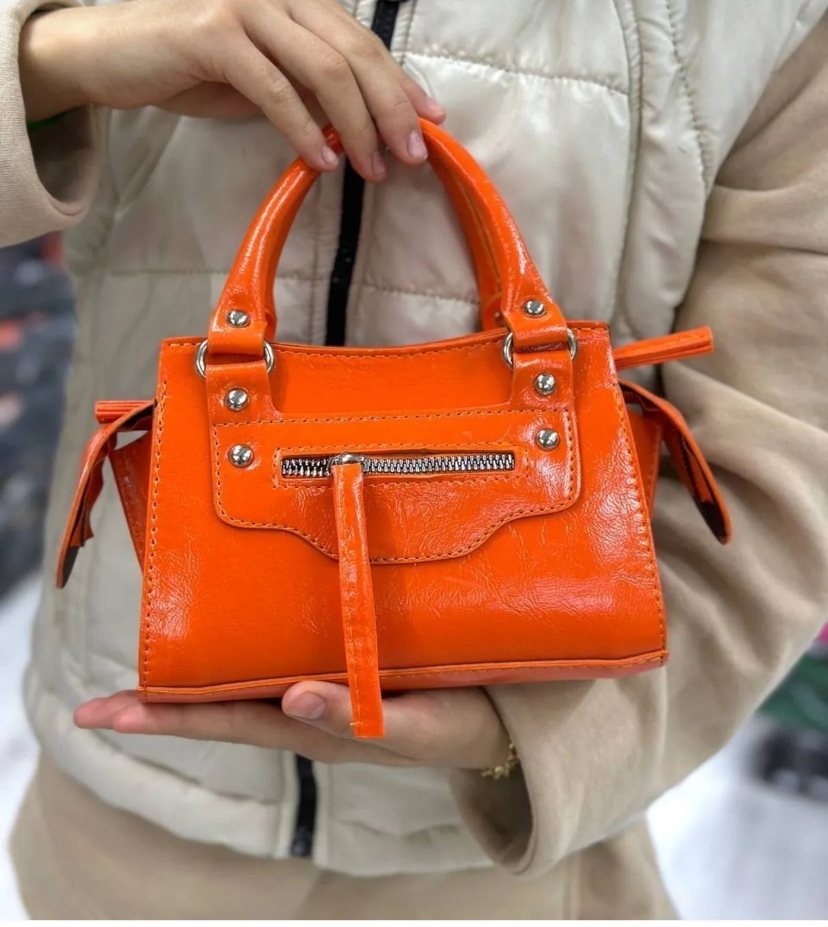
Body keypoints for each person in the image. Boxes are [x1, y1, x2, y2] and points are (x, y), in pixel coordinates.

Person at [2, 0, 828, 918]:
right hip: (126, 829)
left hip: (494, 863)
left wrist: (540, 739)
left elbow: (790, 450)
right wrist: (43, 62)